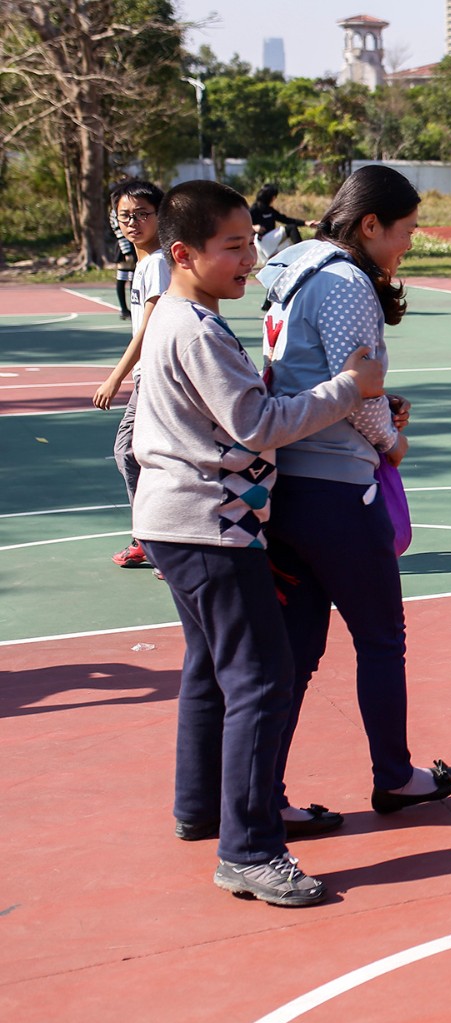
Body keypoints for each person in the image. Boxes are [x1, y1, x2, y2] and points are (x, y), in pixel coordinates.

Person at [131, 179, 385, 905]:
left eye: (252, 243)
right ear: (183, 253)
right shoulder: (195, 329)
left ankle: (202, 807)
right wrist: (350, 387)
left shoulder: (181, 321)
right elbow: (258, 425)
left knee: (212, 669)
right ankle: (248, 848)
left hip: (179, 521)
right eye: (233, 247)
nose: (250, 259)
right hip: (210, 526)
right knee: (262, 678)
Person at [258, 164, 451, 825]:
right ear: (370, 224)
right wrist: (392, 443)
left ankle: (260, 793)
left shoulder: (295, 270)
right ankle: (395, 776)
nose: (409, 245)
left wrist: (374, 407)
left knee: (296, 651)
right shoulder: (348, 282)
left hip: (289, 483)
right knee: (380, 639)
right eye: (405, 232)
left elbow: (319, 376)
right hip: (339, 489)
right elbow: (358, 391)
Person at [93, 179, 169, 571]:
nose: (133, 222)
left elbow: (149, 330)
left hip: (156, 376)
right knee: (137, 454)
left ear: (161, 216)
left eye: (143, 214)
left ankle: (157, 542)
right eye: (125, 215)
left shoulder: (158, 262)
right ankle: (152, 539)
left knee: (130, 452)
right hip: (148, 376)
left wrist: (115, 377)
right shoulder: (143, 262)